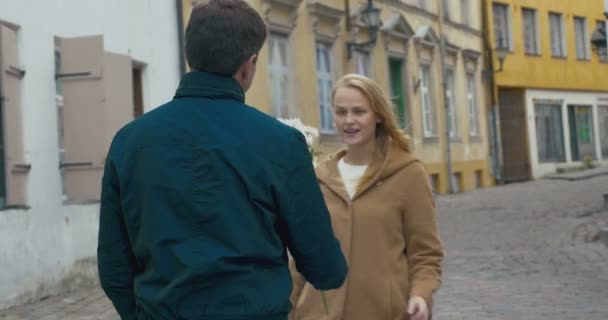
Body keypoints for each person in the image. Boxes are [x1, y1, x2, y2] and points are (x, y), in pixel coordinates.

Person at [97, 1, 347, 319]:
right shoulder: (280, 143)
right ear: (248, 64)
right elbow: (325, 267)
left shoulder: (129, 141)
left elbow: (113, 267)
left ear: (190, 55)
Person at [289, 74, 443, 320]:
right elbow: (301, 257)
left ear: (378, 115)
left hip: (384, 311)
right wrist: (287, 306)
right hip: (317, 313)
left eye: (359, 111)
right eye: (341, 112)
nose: (349, 120)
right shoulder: (318, 177)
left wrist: (420, 295)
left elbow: (425, 252)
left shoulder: (408, 173)